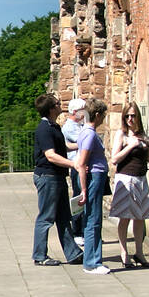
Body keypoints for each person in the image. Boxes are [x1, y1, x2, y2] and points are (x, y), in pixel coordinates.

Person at [31, 94, 84, 267]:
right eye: (58, 103)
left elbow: (64, 146)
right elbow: (51, 155)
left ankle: (73, 253)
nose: (61, 105)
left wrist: (84, 143)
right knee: (46, 217)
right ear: (52, 108)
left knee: (63, 217)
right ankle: (40, 255)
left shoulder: (54, 126)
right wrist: (73, 164)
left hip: (57, 177)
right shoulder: (44, 129)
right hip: (48, 177)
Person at [109, 101, 149, 268]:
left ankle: (139, 252)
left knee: (140, 217)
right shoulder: (122, 134)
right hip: (126, 179)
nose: (130, 119)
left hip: (140, 178)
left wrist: (148, 145)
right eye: (127, 116)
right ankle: (124, 252)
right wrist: (130, 146)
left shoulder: (142, 134)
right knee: (125, 217)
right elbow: (114, 159)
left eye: (133, 116)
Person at [74, 98, 111, 275]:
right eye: (103, 115)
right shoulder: (89, 133)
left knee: (93, 219)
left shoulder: (85, 132)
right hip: (94, 177)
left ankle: (93, 260)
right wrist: (83, 189)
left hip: (96, 176)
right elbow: (81, 162)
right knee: (93, 219)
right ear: (97, 115)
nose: (104, 118)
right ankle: (92, 262)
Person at [63, 99, 87, 246]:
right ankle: (77, 231)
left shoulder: (82, 125)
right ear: (74, 112)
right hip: (76, 167)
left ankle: (84, 230)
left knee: (86, 198)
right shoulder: (69, 128)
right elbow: (84, 142)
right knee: (79, 198)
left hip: (84, 166)